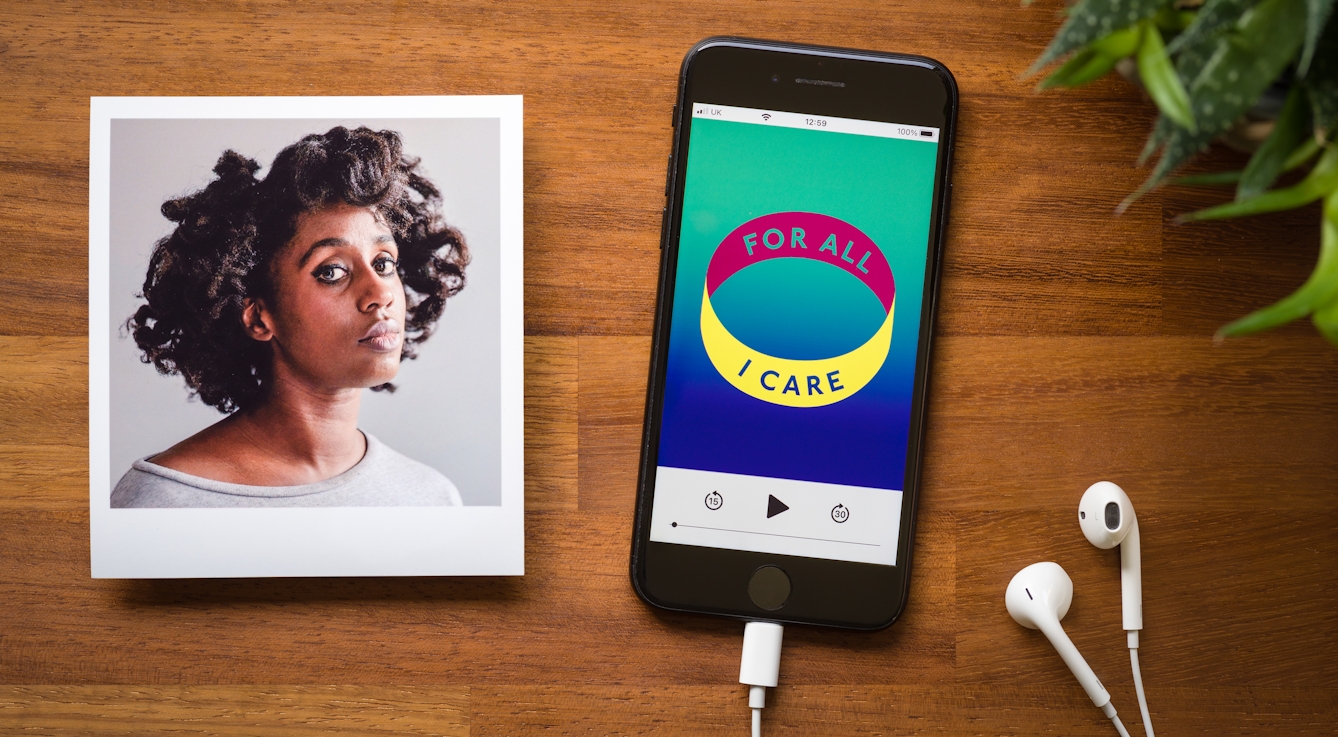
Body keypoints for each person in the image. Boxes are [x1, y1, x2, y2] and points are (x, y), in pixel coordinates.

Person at [111, 126, 469, 508]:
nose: (380, 294)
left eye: (383, 263)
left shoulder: (431, 498)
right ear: (259, 317)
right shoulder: (164, 501)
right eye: (331, 271)